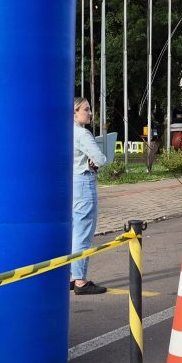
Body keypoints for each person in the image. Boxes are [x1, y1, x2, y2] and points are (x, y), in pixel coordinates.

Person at [72, 97, 110, 295]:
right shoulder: (83, 134)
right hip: (84, 183)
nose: (90, 113)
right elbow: (101, 159)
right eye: (86, 109)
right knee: (83, 233)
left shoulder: (64, 132)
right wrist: (95, 160)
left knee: (73, 231)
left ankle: (71, 275)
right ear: (75, 112)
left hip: (70, 183)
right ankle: (80, 281)